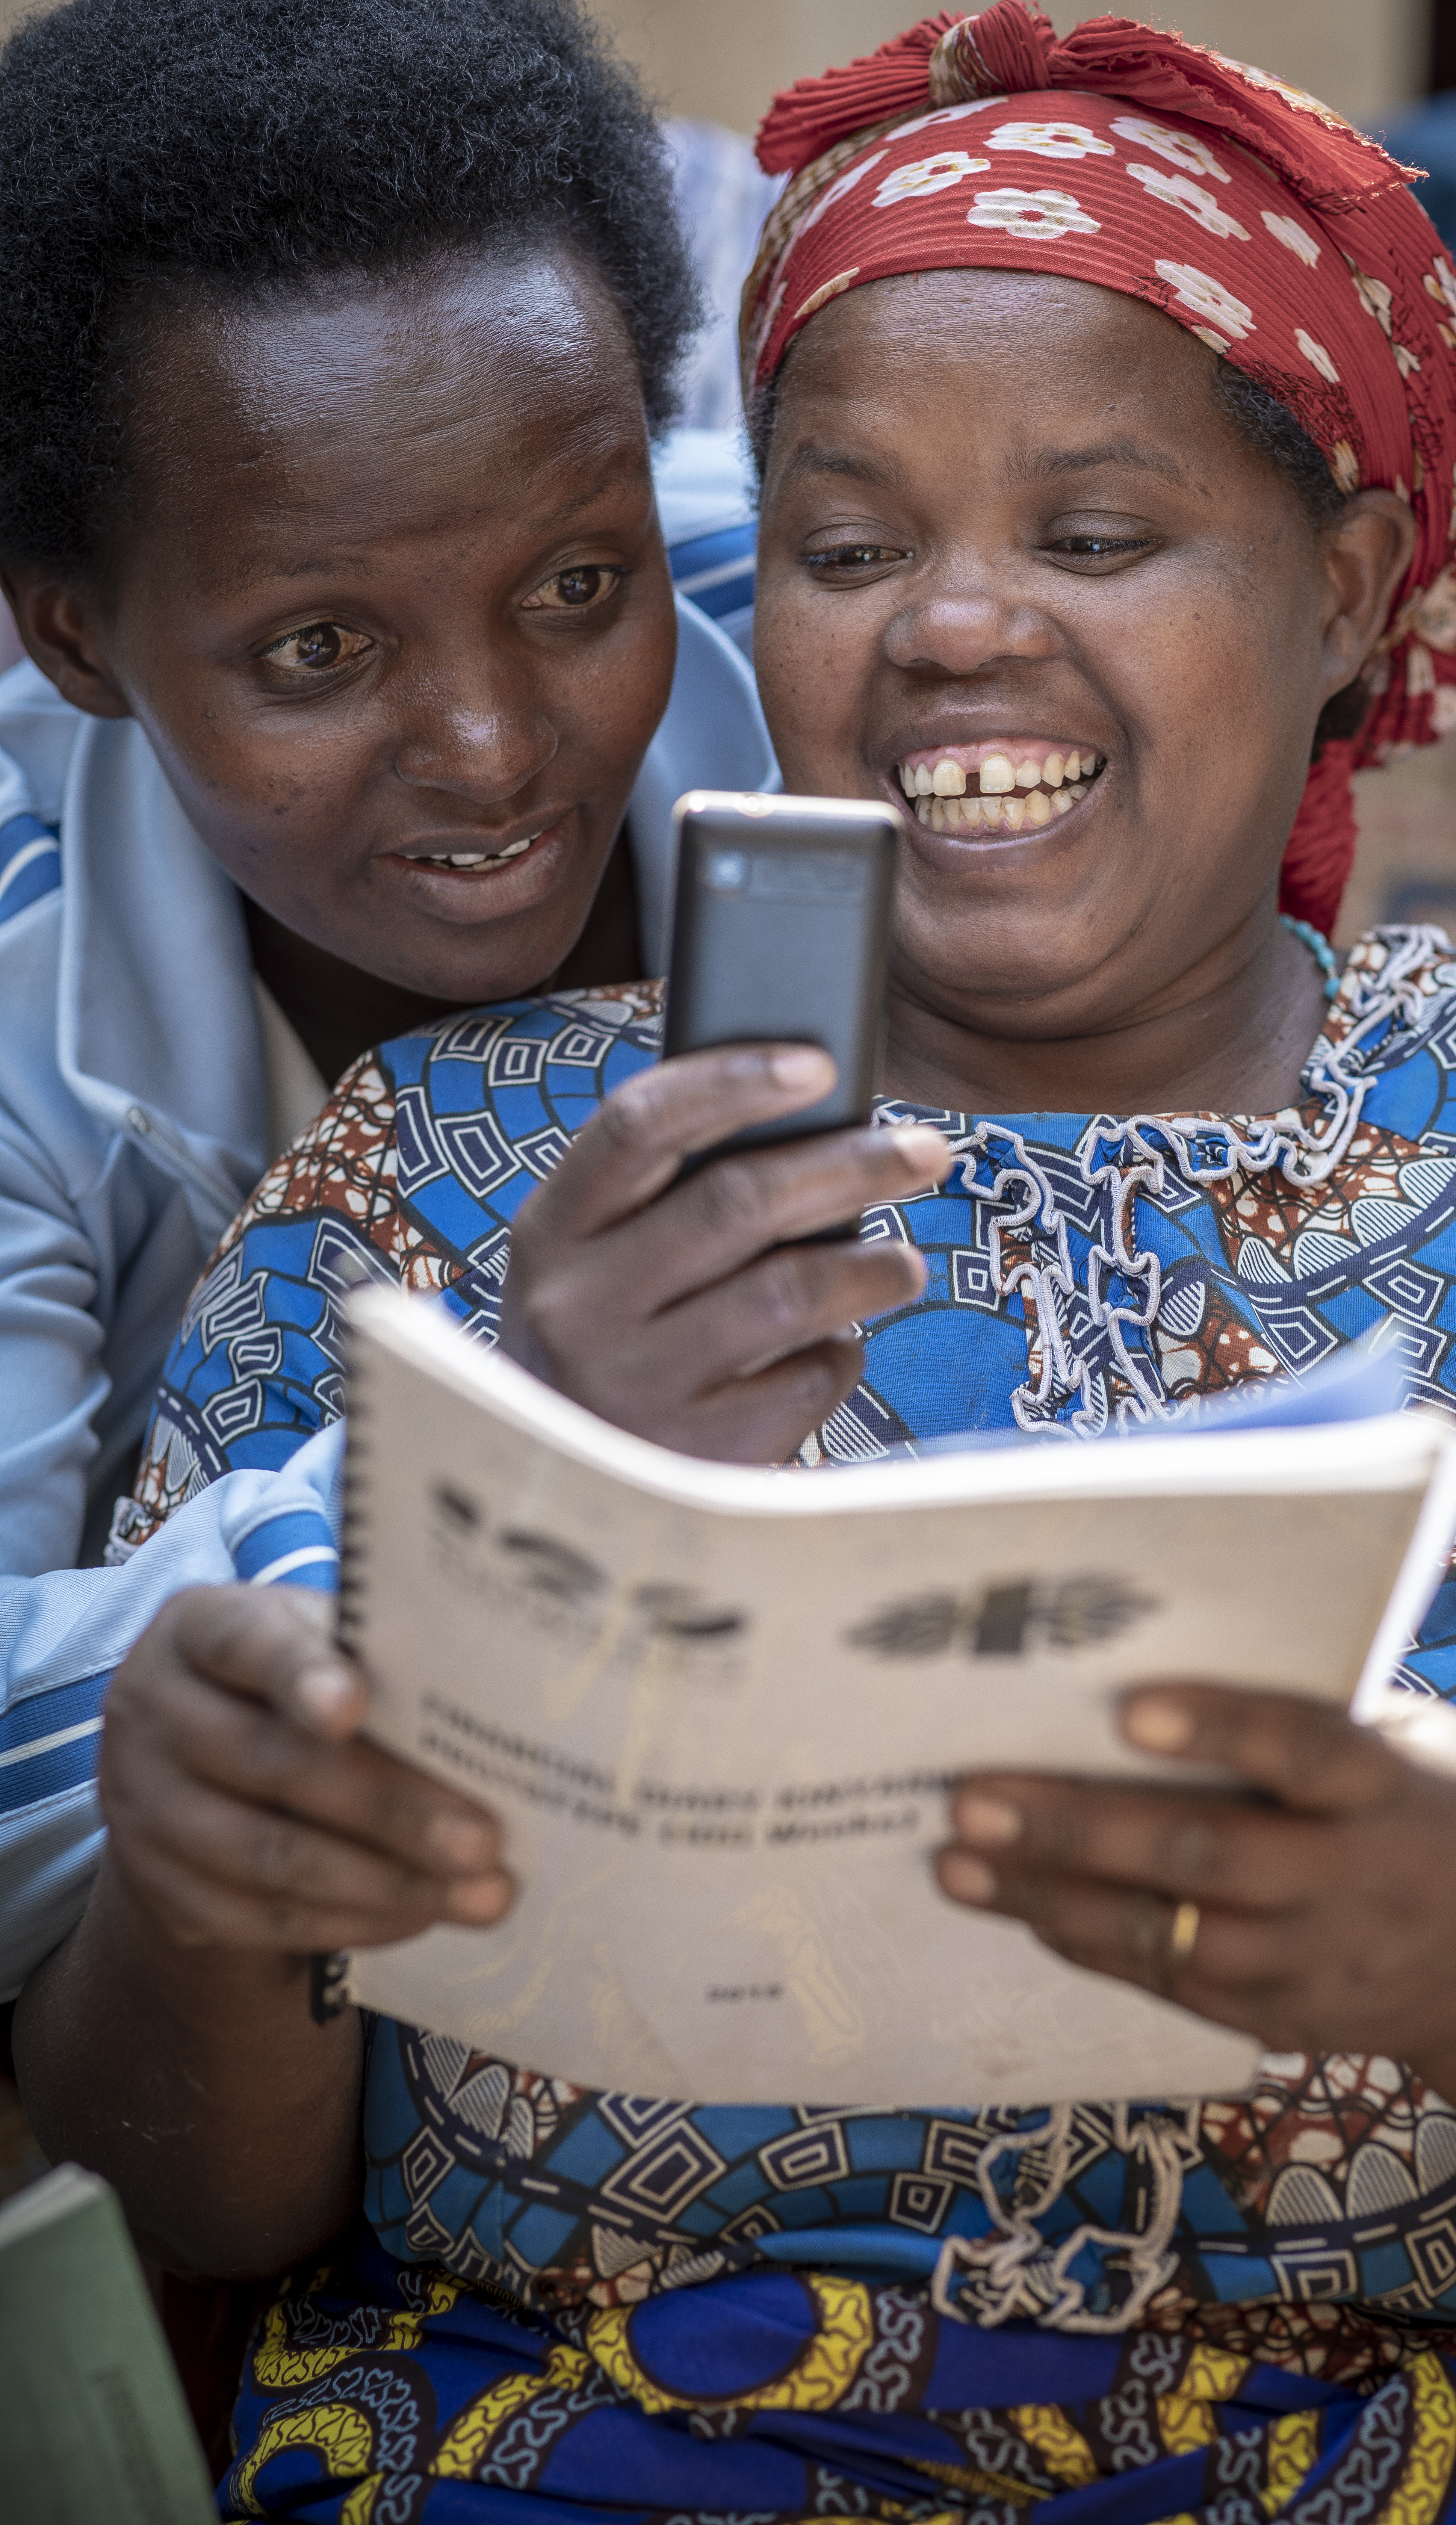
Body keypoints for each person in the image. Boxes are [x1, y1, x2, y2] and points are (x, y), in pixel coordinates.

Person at [21, 5, 1456, 2516]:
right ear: (760, 586)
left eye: (1096, 537)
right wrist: (209, 1856)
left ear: (1347, 591)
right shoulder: (443, 1171)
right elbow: (205, 2190)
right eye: (852, 543)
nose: (950, 630)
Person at [0, 0, 776, 1997]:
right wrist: (519, 1468)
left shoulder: (821, 639)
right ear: (77, 636)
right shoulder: (19, 959)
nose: (494, 744)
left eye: (576, 589)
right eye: (321, 647)